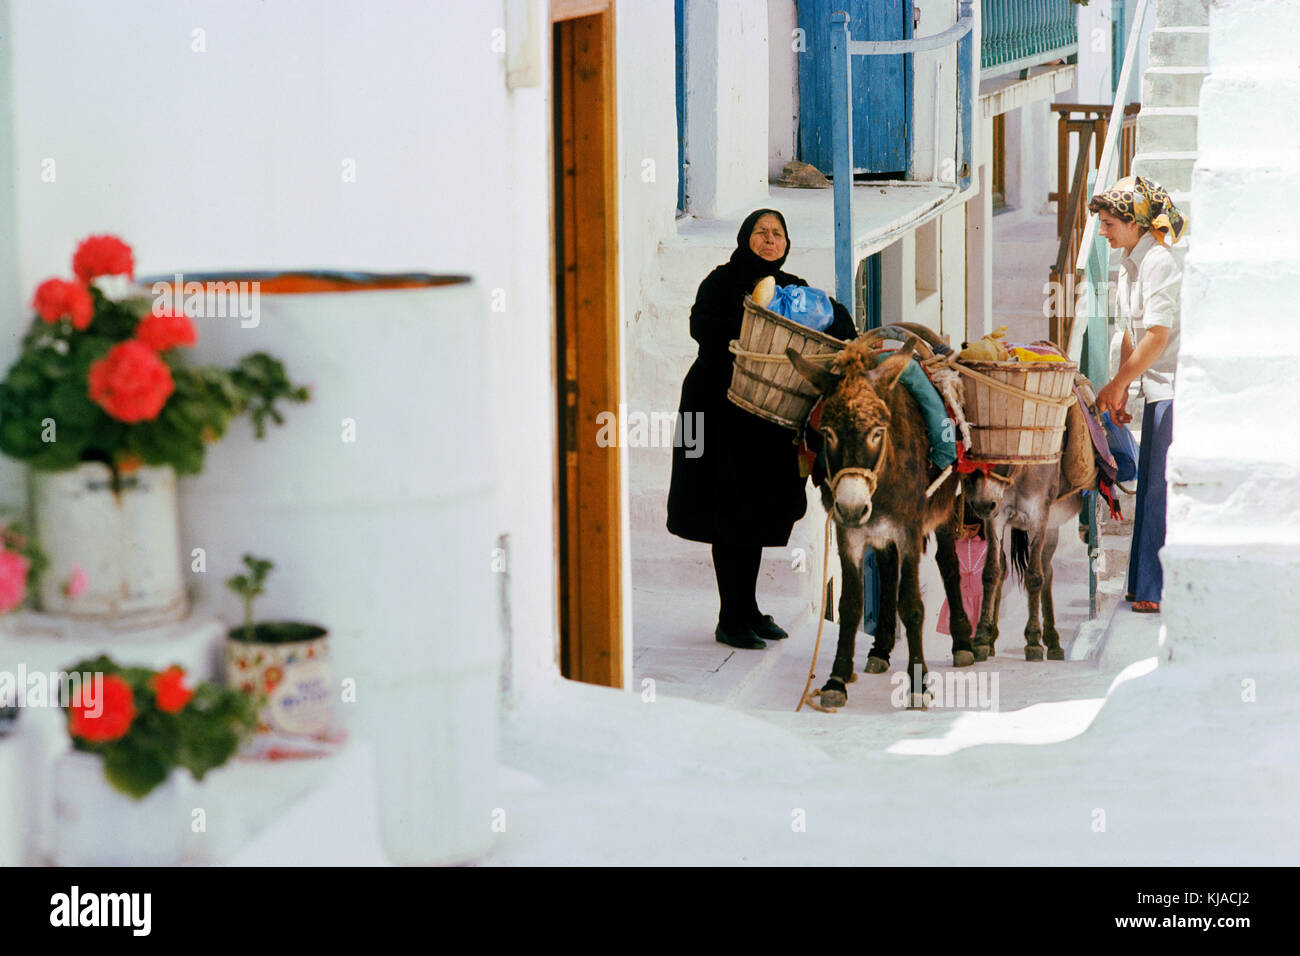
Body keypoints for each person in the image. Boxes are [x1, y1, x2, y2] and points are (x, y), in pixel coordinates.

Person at [666, 209, 857, 649]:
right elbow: (702, 327)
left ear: (786, 245)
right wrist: (759, 318)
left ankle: (748, 609)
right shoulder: (722, 281)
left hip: (763, 416)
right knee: (725, 511)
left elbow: (839, 322)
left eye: (777, 234)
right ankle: (730, 617)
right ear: (744, 238)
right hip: (715, 411)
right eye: (760, 232)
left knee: (751, 514)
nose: (769, 240)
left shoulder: (795, 289)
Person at [1089, 176, 1187, 614]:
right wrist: (1123, 388)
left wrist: (1115, 384)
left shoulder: (1159, 263)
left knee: (1158, 492)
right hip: (1153, 390)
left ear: (1134, 222)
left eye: (1109, 223)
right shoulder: (1132, 264)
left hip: (1173, 389)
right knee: (1149, 487)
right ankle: (1144, 587)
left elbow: (1157, 337)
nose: (1103, 232)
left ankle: (1155, 589)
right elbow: (1132, 335)